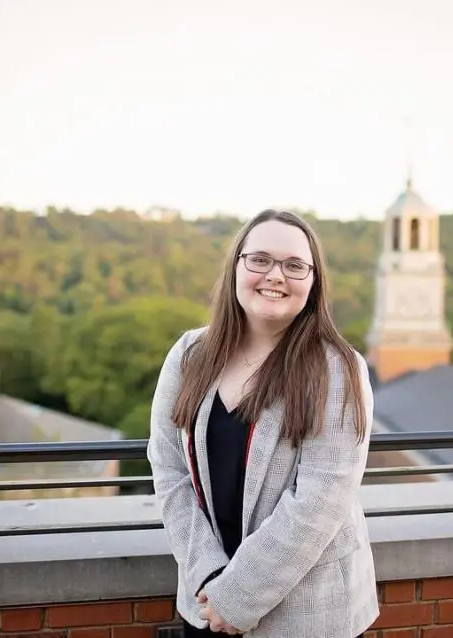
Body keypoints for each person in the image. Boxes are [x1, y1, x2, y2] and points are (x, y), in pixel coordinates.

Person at [147, 209, 379, 637]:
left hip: (306, 613)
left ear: (313, 282)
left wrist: (238, 596)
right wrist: (209, 579)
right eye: (260, 259)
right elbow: (169, 468)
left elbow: (320, 499)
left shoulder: (336, 369)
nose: (276, 275)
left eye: (294, 266)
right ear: (237, 264)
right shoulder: (188, 355)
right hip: (204, 604)